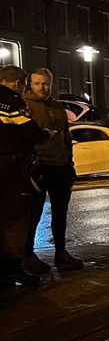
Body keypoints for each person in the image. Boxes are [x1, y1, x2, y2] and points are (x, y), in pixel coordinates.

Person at [24, 68, 83, 272]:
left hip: (60, 167)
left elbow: (66, 136)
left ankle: (61, 252)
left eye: (46, 83)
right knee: (33, 213)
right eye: (38, 83)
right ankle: (28, 254)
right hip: (38, 167)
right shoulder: (25, 106)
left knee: (60, 212)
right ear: (29, 84)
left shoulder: (57, 107)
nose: (42, 87)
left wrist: (69, 162)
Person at [0, 65, 51, 289]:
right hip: (10, 169)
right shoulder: (13, 103)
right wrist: (46, 135)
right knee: (15, 220)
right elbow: (32, 133)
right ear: (20, 84)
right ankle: (12, 270)